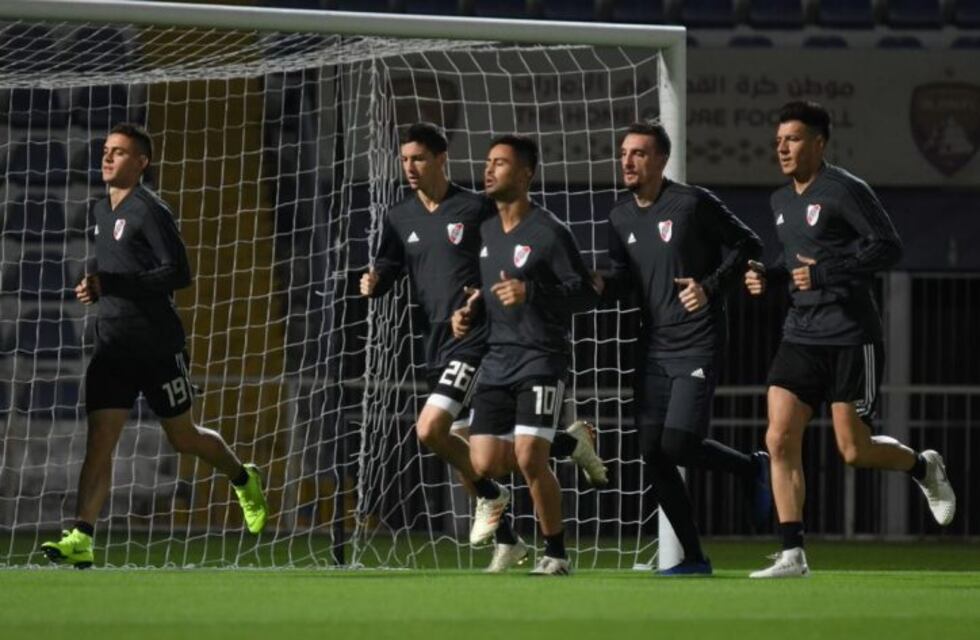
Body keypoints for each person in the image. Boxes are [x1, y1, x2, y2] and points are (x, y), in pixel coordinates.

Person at [361, 123, 605, 573]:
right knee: (477, 455)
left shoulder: (480, 211)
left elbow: (568, 282)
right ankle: (522, 515)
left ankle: (538, 537)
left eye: (418, 158)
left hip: (487, 345)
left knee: (433, 430)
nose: (410, 167)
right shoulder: (402, 216)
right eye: (404, 160)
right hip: (441, 340)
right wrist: (376, 281)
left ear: (441, 159)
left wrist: (510, 298)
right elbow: (392, 264)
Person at [41, 123, 268, 569]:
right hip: (113, 346)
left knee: (183, 438)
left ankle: (243, 478)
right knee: (100, 441)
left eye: (120, 152)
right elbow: (119, 272)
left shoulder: (150, 210)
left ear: (141, 162)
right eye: (106, 150)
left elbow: (178, 273)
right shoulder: (101, 209)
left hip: (157, 346)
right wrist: (96, 287)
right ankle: (81, 535)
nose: (108, 157)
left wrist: (113, 284)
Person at [745, 101, 956, 578]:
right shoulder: (780, 201)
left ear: (819, 143)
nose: (782, 148)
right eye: (778, 141)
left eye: (793, 139)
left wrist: (825, 273)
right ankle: (792, 554)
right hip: (800, 334)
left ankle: (923, 468)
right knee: (779, 437)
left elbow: (888, 246)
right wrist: (768, 276)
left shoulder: (844, 189)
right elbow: (794, 262)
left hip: (849, 334)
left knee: (854, 451)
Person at [595, 122, 772, 577]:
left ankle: (751, 468)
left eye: (638, 153)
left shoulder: (692, 203)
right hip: (653, 347)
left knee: (677, 444)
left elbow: (749, 243)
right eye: (623, 153)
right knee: (653, 453)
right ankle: (694, 559)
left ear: (661, 160)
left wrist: (710, 287)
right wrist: (599, 285)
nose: (627, 161)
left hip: (697, 340)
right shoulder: (619, 217)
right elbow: (624, 282)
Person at [453, 134, 599, 576]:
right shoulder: (486, 231)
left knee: (530, 457)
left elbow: (585, 293)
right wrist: (470, 311)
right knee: (483, 462)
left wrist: (532, 291)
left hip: (541, 358)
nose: (489, 169)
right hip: (498, 359)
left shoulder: (549, 232)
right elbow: (490, 292)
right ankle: (569, 442)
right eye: (488, 162)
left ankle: (555, 554)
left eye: (500, 163)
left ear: (526, 173)